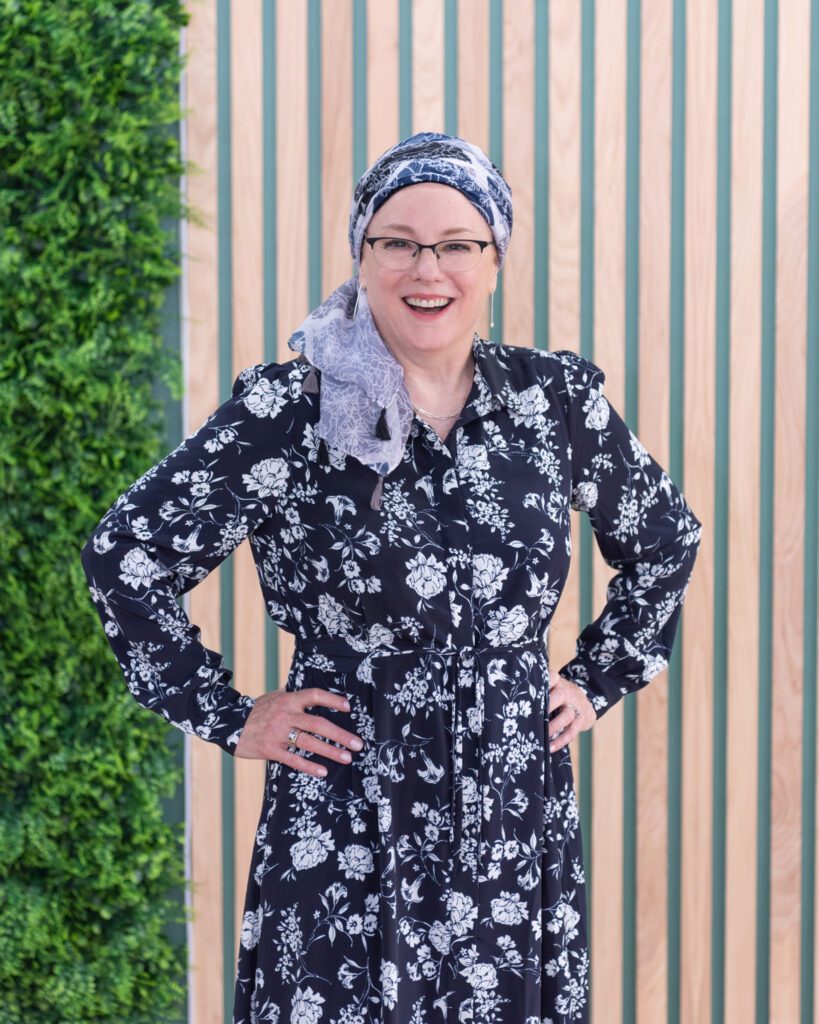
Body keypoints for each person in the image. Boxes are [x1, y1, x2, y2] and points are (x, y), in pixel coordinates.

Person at [81, 132, 701, 1024]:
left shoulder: (555, 404)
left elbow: (665, 539)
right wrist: (228, 716)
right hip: (345, 807)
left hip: (506, 804)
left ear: (493, 261)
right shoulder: (289, 411)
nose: (428, 267)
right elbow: (126, 556)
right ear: (361, 257)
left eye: (457, 243)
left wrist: (597, 681)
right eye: (398, 241)